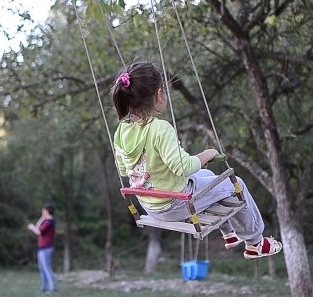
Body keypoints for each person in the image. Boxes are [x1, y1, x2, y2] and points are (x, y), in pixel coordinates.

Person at [111, 62, 282, 260]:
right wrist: (207, 154)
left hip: (149, 205)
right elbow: (183, 167)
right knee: (237, 186)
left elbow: (124, 170)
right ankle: (255, 243)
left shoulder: (121, 131)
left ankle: (229, 233)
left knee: (208, 176)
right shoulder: (160, 128)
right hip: (174, 204)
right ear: (159, 94)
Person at [27, 203, 57, 292]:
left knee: (46, 268)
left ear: (47, 211)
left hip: (46, 248)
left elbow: (39, 232)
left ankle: (53, 287)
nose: (42, 212)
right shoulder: (46, 221)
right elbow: (38, 226)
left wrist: (32, 227)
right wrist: (42, 217)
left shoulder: (49, 222)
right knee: (42, 268)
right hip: (42, 248)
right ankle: (43, 287)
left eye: (43, 211)